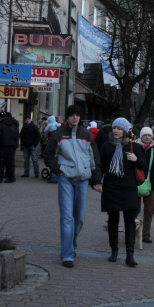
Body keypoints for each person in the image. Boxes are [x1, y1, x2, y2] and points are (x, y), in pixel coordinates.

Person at [44, 105, 102, 268]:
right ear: (67, 117)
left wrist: (96, 179)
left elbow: (94, 158)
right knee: (67, 217)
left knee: (80, 218)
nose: (75, 118)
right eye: (72, 115)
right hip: (66, 179)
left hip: (83, 179)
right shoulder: (58, 134)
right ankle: (67, 254)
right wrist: (58, 170)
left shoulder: (87, 135)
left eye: (77, 115)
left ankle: (72, 244)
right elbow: (48, 155)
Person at [100, 117, 146, 267]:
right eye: (114, 128)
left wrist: (135, 159)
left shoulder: (134, 147)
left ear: (125, 131)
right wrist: (96, 182)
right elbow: (101, 166)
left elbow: (144, 165)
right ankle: (114, 251)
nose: (116, 131)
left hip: (128, 188)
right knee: (112, 221)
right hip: (111, 187)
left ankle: (130, 254)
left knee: (129, 222)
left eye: (119, 129)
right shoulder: (107, 146)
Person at [136, 127, 154, 244]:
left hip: (150, 183)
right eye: (145, 135)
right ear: (141, 136)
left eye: (149, 135)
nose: (147, 137)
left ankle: (146, 234)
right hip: (135, 183)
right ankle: (132, 231)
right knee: (134, 209)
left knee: (149, 210)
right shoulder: (135, 148)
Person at [0, 112, 20, 183]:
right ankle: (11, 178)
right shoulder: (14, 125)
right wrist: (15, 145)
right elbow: (17, 136)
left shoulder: (0, 125)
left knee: (0, 162)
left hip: (2, 146)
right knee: (10, 163)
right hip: (12, 147)